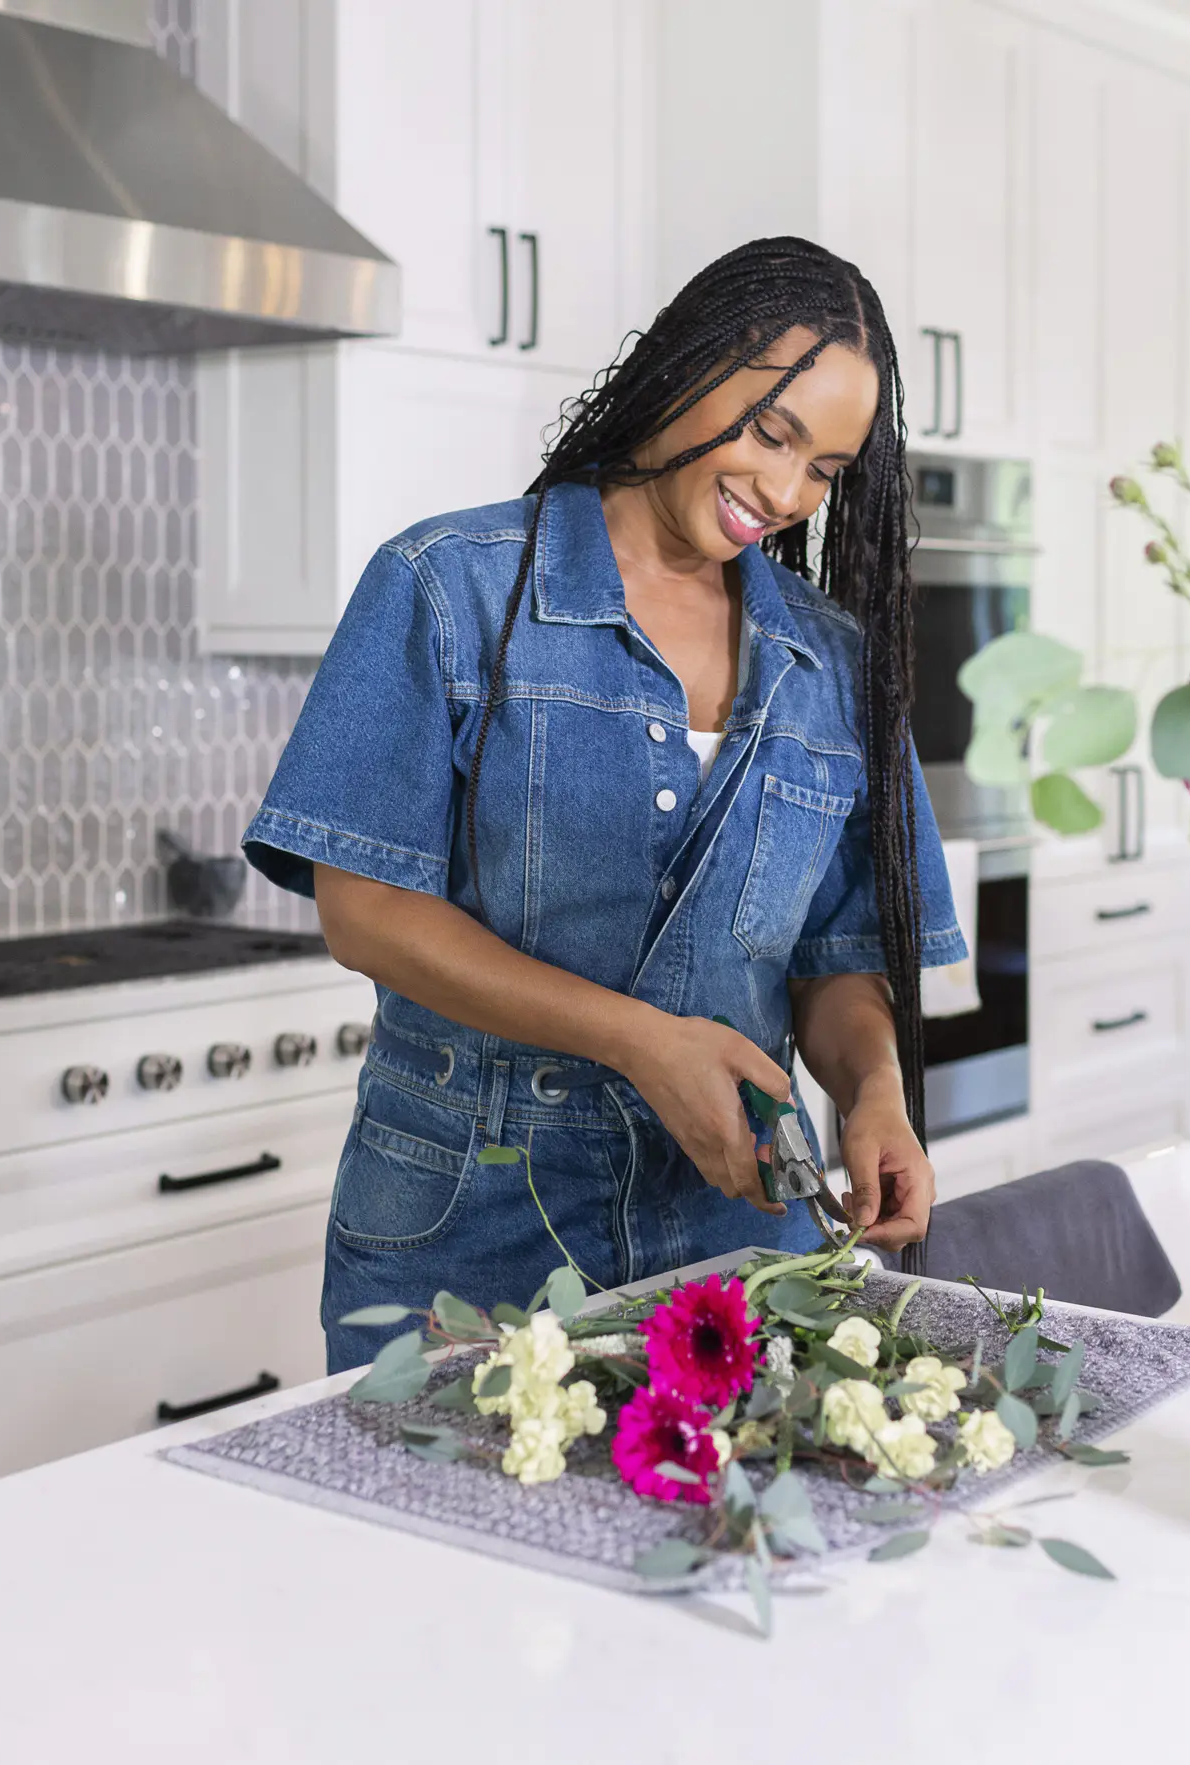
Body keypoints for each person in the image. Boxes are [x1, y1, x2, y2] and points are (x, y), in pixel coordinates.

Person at [244, 237, 966, 1370]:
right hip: (471, 1222)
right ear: (686, 366)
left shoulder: (830, 661)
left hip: (742, 1224)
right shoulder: (451, 586)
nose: (784, 494)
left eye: (824, 470)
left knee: (716, 1537)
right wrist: (639, 1042)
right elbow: (366, 912)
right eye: (772, 432)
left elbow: (836, 957)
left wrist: (875, 1090)